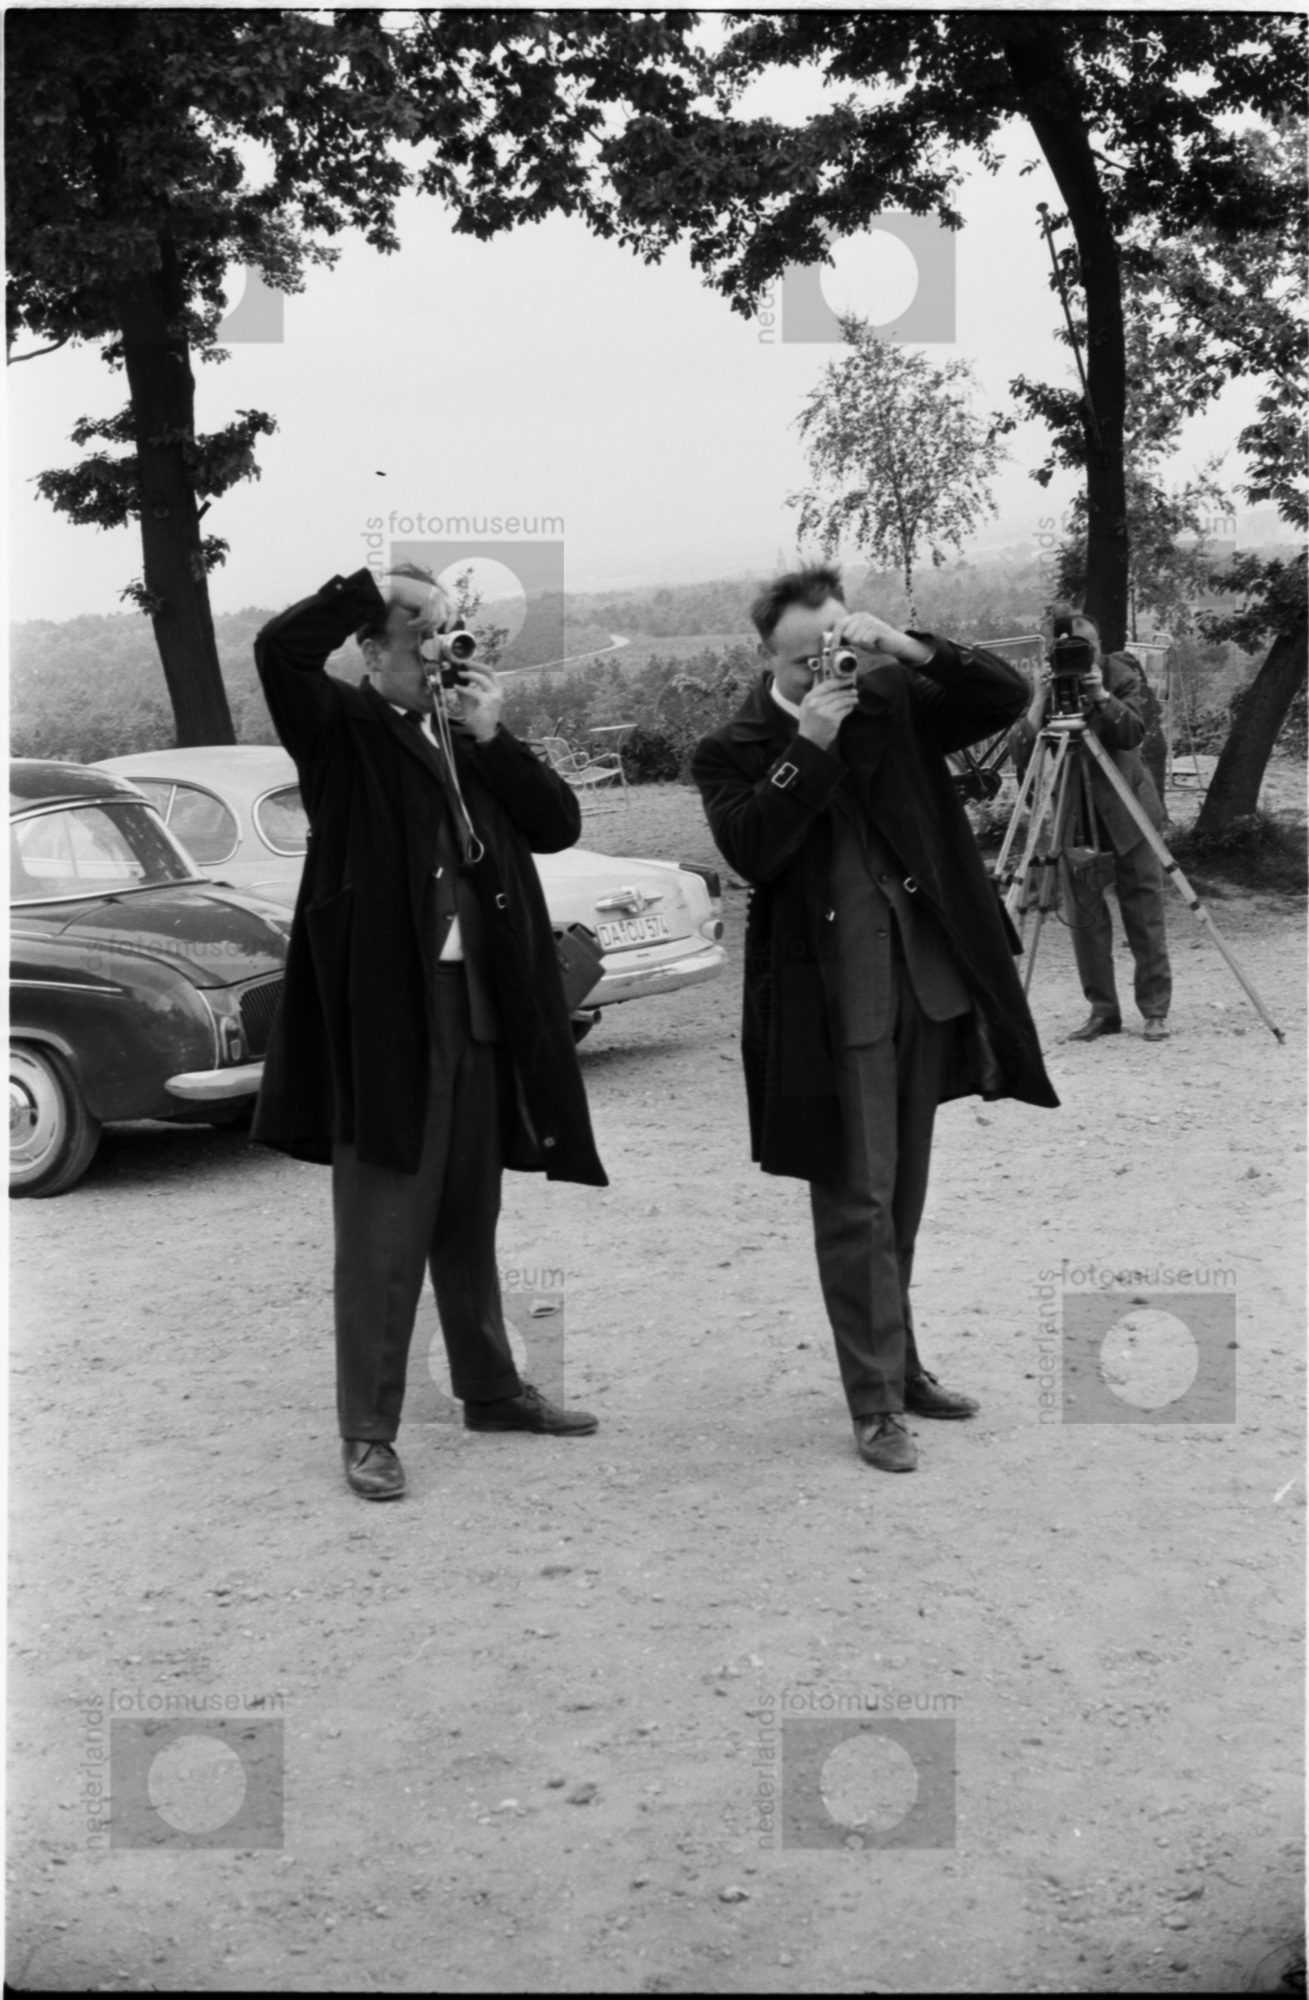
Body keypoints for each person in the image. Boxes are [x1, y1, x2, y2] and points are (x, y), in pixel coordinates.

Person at [692, 565, 1058, 1474]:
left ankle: (900, 1363)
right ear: (767, 656)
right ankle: (873, 1403)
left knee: (900, 1198)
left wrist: (903, 645)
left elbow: (1003, 695)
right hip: (831, 1005)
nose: (826, 667)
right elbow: (752, 850)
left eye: (834, 644)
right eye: (804, 657)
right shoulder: (732, 748)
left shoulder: (892, 694)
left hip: (925, 986)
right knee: (854, 1201)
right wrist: (809, 745)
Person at [253, 564, 606, 1500]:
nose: (439, 647)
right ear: (371, 651)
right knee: (382, 1229)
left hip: (481, 1005)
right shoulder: (341, 729)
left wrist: (493, 735)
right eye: (417, 632)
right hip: (392, 1015)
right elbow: (277, 650)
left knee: (468, 1216)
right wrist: (374, 584)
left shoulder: (467, 735)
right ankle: (368, 1430)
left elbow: (556, 825)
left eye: (448, 628)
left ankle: (490, 1390)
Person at [1008, 614, 1172, 1043]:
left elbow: (1132, 733)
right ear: (1049, 650)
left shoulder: (1120, 675)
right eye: (1064, 648)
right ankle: (1103, 1013)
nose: (1078, 657)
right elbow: (1020, 752)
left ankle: (1155, 1011)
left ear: (1099, 644)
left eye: (1087, 647)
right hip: (1074, 813)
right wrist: (1039, 701)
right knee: (1085, 919)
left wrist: (1101, 696)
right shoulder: (1045, 683)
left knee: (1144, 914)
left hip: (1128, 812)